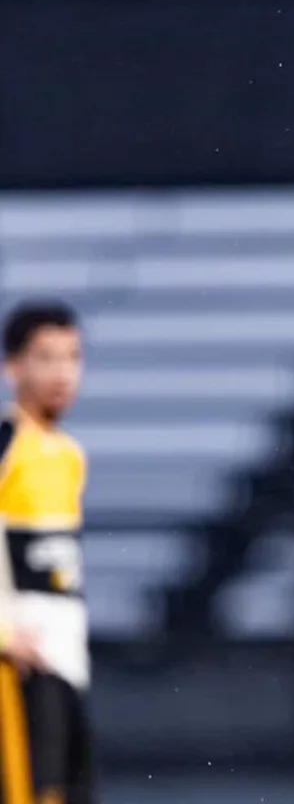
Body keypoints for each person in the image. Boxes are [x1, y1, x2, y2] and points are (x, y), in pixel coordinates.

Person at [0, 303, 94, 804]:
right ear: (12, 367)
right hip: (22, 662)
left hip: (65, 658)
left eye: (72, 357)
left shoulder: (68, 455)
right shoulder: (8, 443)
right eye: (46, 358)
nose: (62, 373)